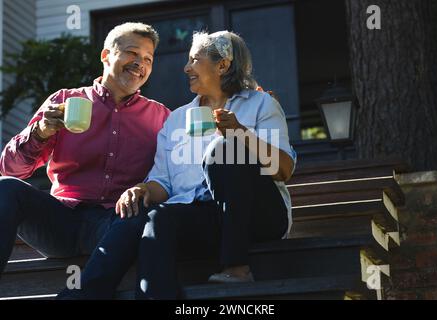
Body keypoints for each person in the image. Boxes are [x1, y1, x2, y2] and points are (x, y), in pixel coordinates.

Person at [63, 30, 296, 300]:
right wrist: (142, 189)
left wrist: (240, 133)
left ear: (222, 65)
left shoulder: (260, 104)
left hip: (259, 217)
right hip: (206, 217)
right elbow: (163, 182)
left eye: (195, 60)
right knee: (156, 217)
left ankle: (237, 267)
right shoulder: (176, 119)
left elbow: (284, 169)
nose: (186, 68)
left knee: (223, 149)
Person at [0, 22, 170, 291]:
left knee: (141, 217)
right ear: (106, 56)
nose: (140, 63)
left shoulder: (161, 117)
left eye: (148, 59)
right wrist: (41, 132)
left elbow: (172, 176)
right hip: (59, 222)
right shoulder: (65, 100)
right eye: (132, 53)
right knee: (5, 188)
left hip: (115, 224)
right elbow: (10, 169)